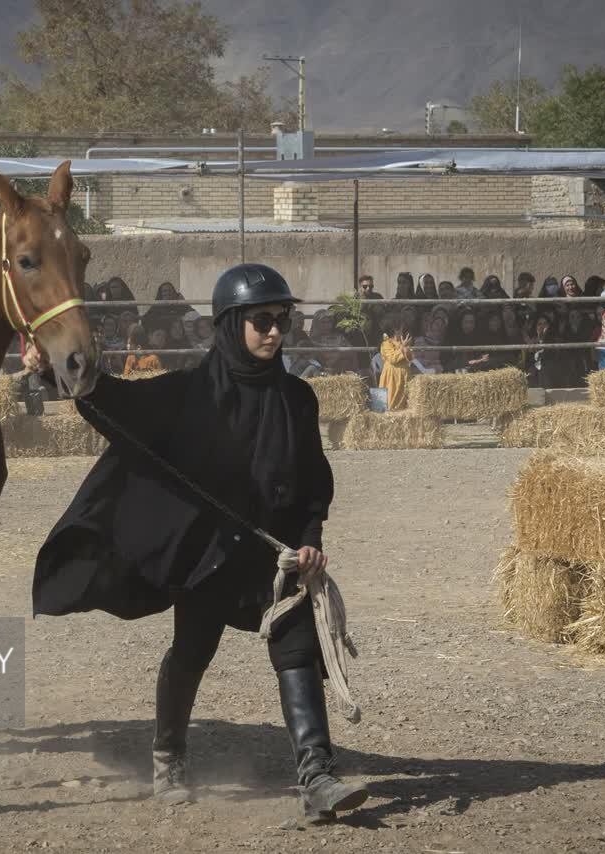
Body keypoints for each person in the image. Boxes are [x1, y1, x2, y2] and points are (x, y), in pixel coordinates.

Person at [30, 263, 368, 821]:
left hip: (272, 557)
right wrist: (51, 375)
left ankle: (316, 776)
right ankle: (168, 756)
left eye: (281, 319)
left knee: (298, 644)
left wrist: (309, 542)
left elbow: (312, 484)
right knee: (192, 651)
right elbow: (117, 405)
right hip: (208, 555)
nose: (274, 331)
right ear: (232, 324)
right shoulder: (190, 393)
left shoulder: (299, 400)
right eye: (261, 320)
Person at [378, 326, 413, 410]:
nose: (401, 331)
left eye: (401, 329)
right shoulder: (386, 343)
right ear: (393, 330)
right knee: (390, 399)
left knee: (403, 400)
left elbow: (410, 358)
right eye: (399, 329)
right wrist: (402, 348)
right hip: (391, 376)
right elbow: (392, 359)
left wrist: (406, 348)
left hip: (404, 375)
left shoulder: (403, 342)